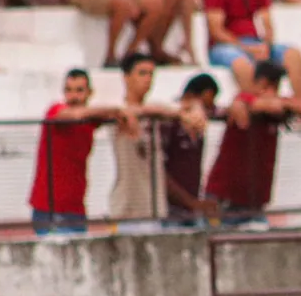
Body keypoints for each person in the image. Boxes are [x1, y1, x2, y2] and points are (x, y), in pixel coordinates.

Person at [204, 60, 301, 226]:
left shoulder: (279, 107)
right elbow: (243, 112)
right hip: (226, 197)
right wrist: (272, 104)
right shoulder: (243, 99)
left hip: (254, 199)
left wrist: (286, 104)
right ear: (265, 83)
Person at [28, 69, 137, 235]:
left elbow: (136, 112)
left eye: (79, 90)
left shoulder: (89, 121)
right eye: (69, 90)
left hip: (76, 209)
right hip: (49, 209)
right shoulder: (56, 111)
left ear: (89, 93)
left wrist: (123, 116)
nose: (73, 97)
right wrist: (115, 110)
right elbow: (74, 115)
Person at [109, 53, 206, 230]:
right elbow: (132, 111)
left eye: (151, 74)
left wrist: (196, 110)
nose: (147, 79)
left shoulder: (156, 113)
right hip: (129, 209)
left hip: (155, 208)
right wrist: (180, 114)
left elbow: (189, 105)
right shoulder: (119, 113)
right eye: (142, 73)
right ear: (126, 77)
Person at [161, 73, 221, 228]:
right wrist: (191, 202)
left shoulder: (199, 131)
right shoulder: (170, 125)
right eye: (204, 104)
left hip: (190, 209)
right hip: (170, 211)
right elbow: (160, 172)